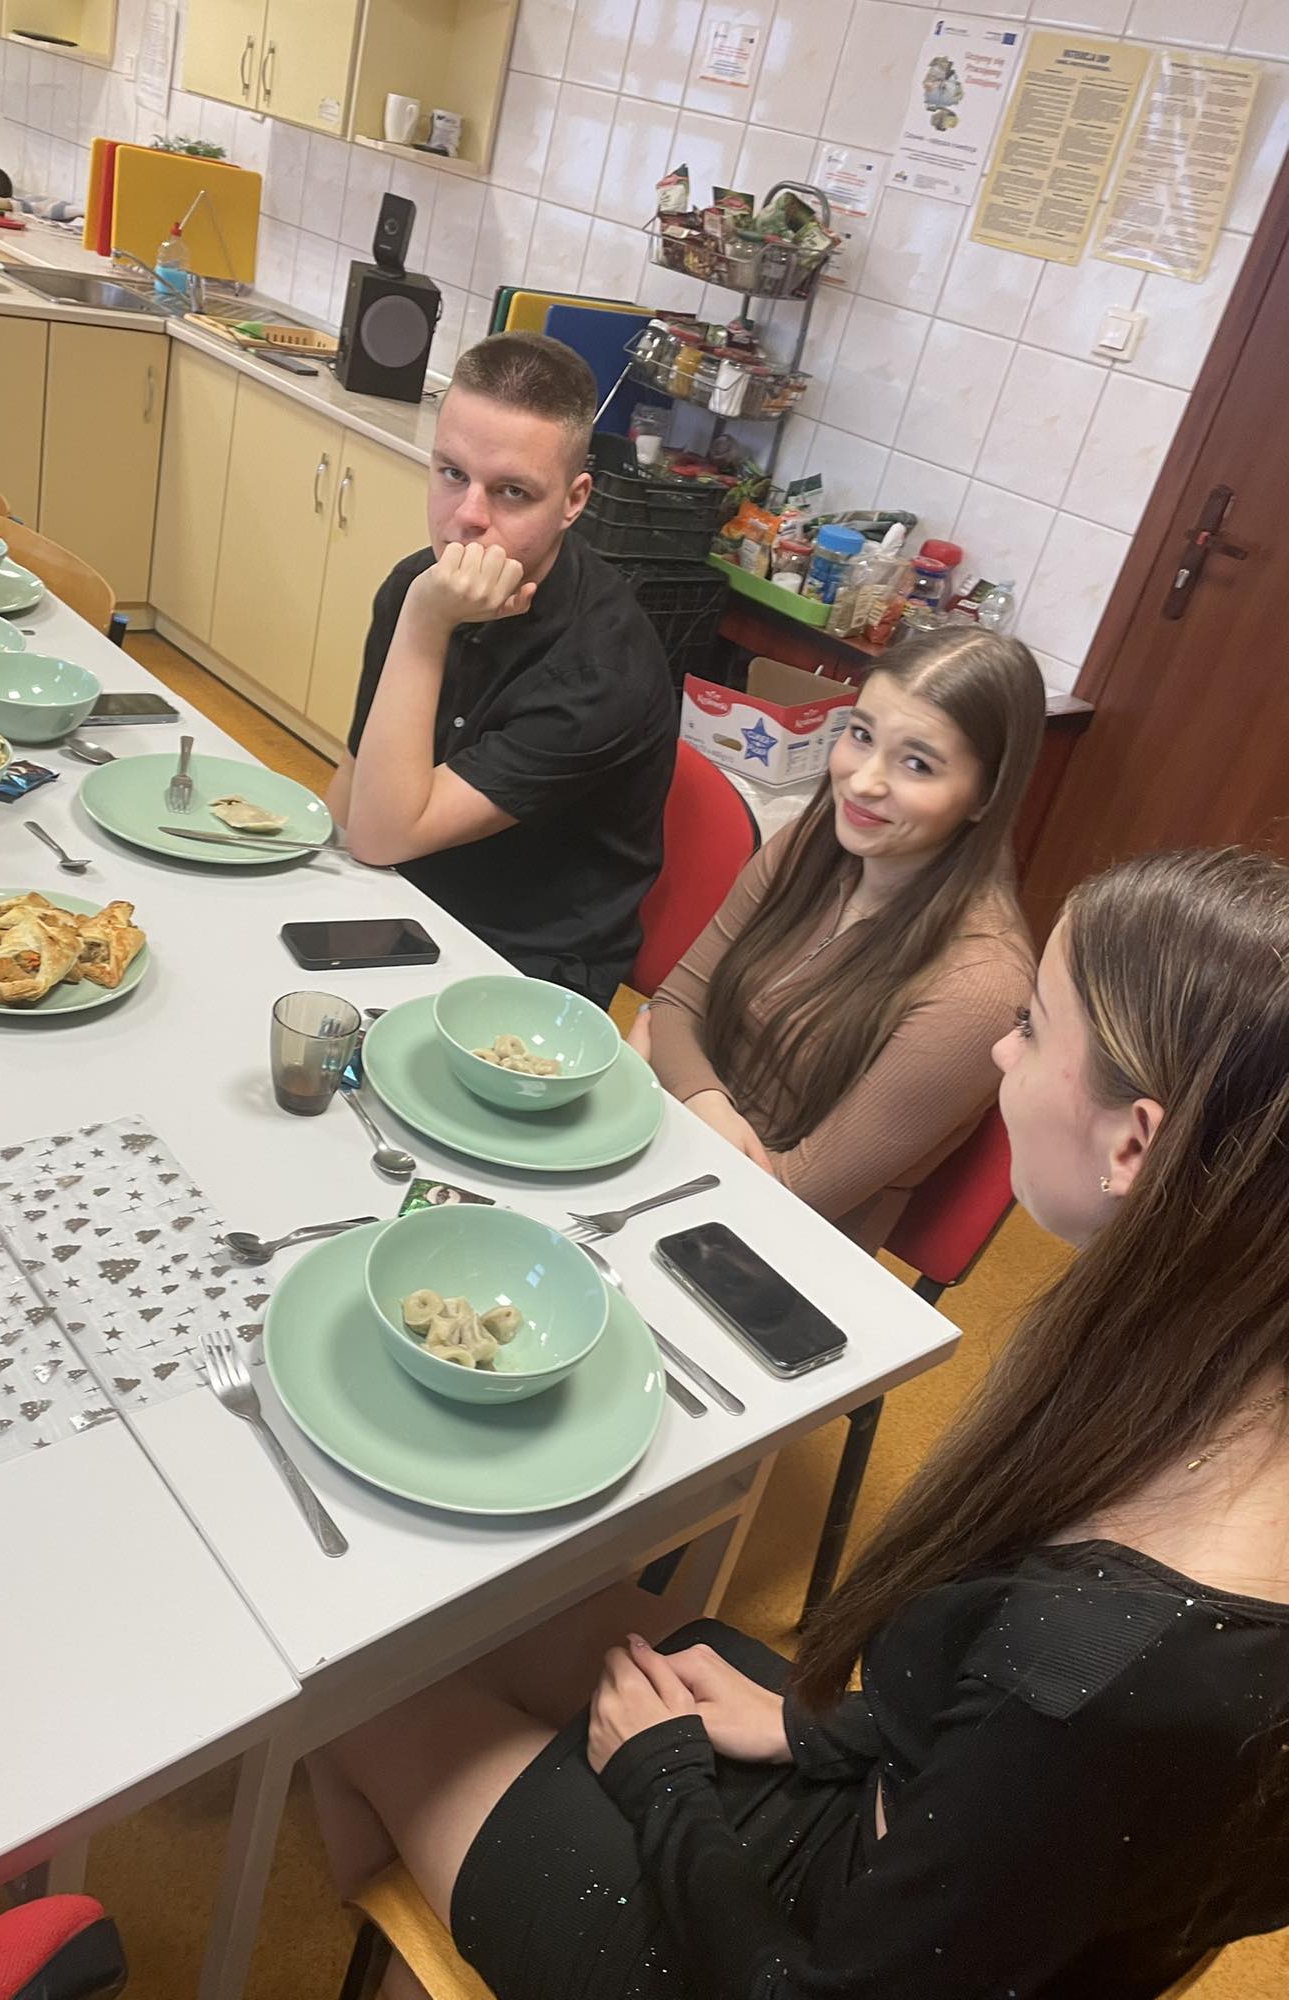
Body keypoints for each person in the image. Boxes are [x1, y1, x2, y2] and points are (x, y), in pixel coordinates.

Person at [309, 846, 1289, 1998]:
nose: (999, 1050)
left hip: (793, 1946)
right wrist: (828, 1730)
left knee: (356, 1685)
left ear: (1133, 1141)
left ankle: (419, 1937)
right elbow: (1009, 1788)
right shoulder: (1209, 1377)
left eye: (1031, 1027)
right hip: (907, 1834)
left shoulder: (1094, 1668)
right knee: (471, 1616)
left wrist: (664, 1781)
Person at [636, 623, 1044, 1248]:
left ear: (985, 797)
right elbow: (674, 1004)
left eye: (917, 763)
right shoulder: (814, 842)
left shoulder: (979, 988)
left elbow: (791, 1198)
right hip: (678, 1150)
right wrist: (706, 1102)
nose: (863, 781)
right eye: (861, 735)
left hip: (766, 1250)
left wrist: (672, 1070)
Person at [324, 333, 678, 1007]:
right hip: (403, 899)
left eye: (512, 491)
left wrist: (424, 626)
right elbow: (353, 786)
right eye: (452, 473)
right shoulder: (419, 586)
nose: (467, 518)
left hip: (521, 970)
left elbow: (380, 836)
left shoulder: (602, 670)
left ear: (573, 499)